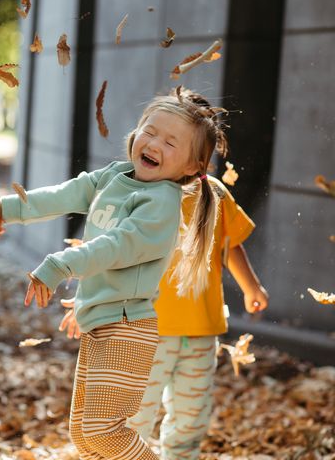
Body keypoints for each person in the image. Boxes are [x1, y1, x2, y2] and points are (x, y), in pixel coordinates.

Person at [0, 87, 228, 460]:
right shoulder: (116, 176)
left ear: (193, 167)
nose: (154, 142)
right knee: (85, 435)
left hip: (129, 329)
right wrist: (8, 207)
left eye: (171, 142)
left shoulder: (160, 203)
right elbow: (64, 195)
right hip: (100, 320)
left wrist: (60, 264)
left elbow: (117, 245)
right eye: (150, 130)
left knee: (104, 432)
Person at [59, 170, 269, 459]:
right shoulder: (140, 192)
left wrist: (251, 286)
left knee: (191, 417)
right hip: (144, 332)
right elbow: (110, 249)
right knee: (135, 417)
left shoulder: (215, 192)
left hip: (200, 331)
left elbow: (230, 243)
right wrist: (88, 299)